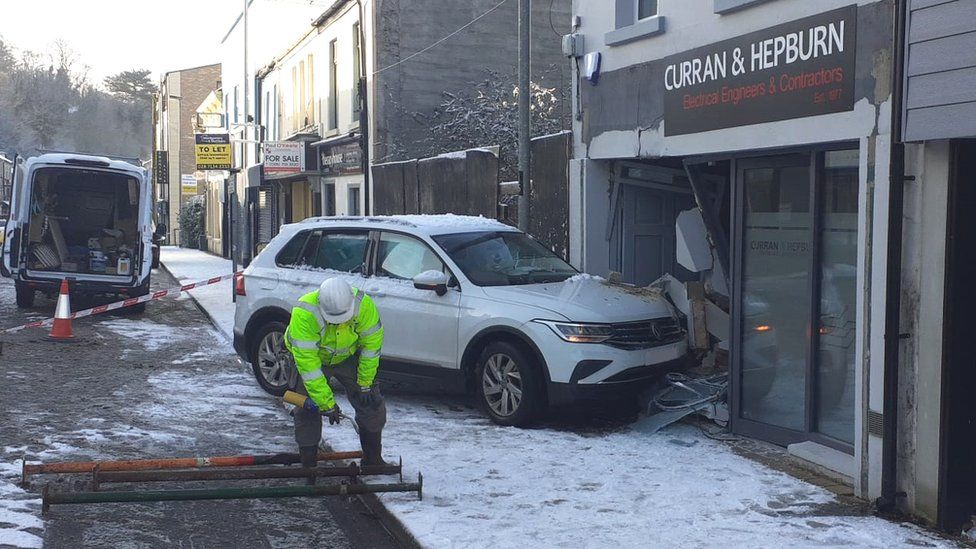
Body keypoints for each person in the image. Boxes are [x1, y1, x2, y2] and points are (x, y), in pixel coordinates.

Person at [284, 277, 388, 471]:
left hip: (347, 355)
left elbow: (371, 348)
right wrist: (326, 404)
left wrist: (365, 384)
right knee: (307, 408)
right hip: (313, 358)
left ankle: (373, 459)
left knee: (371, 402)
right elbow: (310, 368)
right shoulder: (304, 314)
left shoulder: (364, 307)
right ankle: (309, 465)